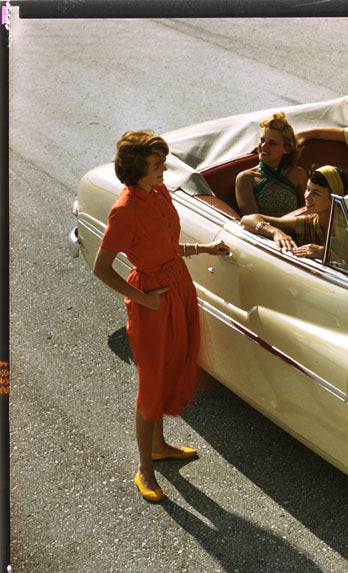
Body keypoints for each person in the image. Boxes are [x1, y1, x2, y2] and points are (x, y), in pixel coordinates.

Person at [93, 130, 230, 502]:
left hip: (177, 284)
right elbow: (102, 268)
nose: (164, 168)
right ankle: (145, 470)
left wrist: (205, 248)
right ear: (137, 169)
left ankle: (159, 445)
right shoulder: (123, 210)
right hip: (152, 299)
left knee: (173, 367)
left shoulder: (159, 191)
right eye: (157, 164)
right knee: (150, 385)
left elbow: (167, 245)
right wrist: (143, 299)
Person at [240, 165, 348, 272]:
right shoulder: (309, 222)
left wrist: (325, 254)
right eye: (307, 189)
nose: (307, 196)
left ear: (333, 197)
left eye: (316, 193)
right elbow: (247, 220)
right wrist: (275, 232)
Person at [235, 112, 308, 216]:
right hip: (260, 231)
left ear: (286, 149)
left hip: (295, 230)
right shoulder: (246, 179)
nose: (264, 146)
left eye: (272, 143)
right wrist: (277, 232)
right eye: (262, 140)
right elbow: (253, 220)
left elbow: (307, 212)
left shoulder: (298, 174)